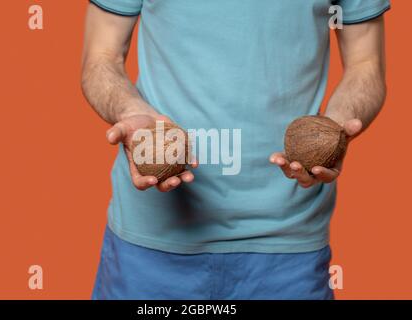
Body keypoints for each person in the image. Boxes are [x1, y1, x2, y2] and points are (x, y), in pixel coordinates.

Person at [81, 0, 390, 299]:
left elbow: (366, 65)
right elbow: (102, 57)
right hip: (150, 246)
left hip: (288, 246)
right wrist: (130, 110)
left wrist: (334, 130)